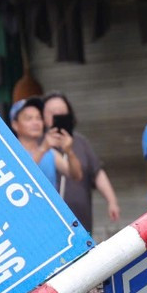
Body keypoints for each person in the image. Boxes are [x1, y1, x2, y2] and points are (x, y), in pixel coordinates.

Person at [41, 91, 120, 233]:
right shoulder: (38, 144)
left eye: (61, 112)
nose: (57, 115)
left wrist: (112, 201)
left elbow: (97, 173)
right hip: (49, 222)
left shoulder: (80, 142)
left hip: (81, 221)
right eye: (52, 112)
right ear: (43, 116)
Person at [9, 96, 80, 192]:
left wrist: (69, 151)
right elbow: (19, 178)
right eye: (29, 118)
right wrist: (43, 149)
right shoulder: (10, 153)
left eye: (39, 118)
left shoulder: (51, 153)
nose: (36, 123)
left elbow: (76, 175)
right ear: (15, 125)